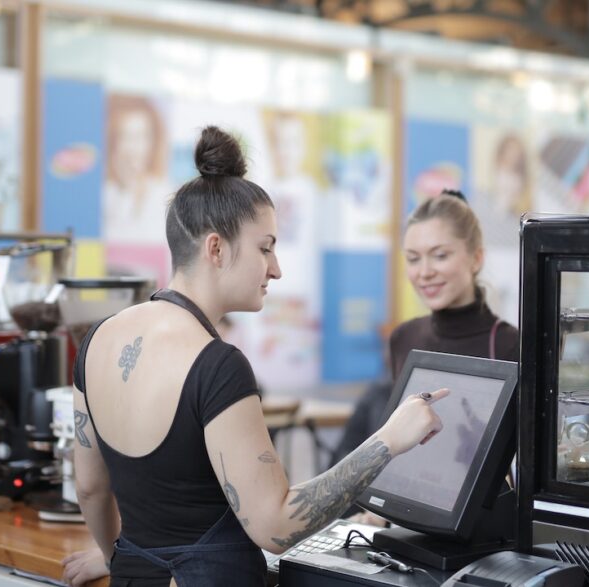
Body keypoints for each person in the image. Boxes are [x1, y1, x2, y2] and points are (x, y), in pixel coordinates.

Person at [62, 126, 449, 587]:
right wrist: (388, 441)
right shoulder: (216, 365)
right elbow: (276, 527)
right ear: (215, 248)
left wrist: (116, 556)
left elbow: (90, 487)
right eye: (265, 248)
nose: (276, 268)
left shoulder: (97, 341)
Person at [330, 189, 519, 521]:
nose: (424, 271)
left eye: (440, 255)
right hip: (405, 521)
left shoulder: (510, 345)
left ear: (476, 258)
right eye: (413, 258)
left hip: (479, 527)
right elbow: (404, 443)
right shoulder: (404, 338)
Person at [102, 94, 171, 244]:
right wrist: (126, 190)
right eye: (126, 136)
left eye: (141, 136)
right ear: (113, 142)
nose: (134, 148)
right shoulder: (106, 192)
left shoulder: (163, 192)